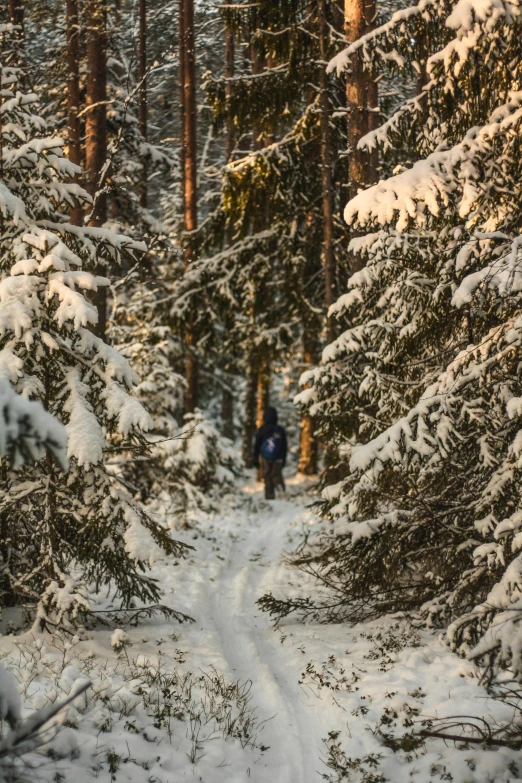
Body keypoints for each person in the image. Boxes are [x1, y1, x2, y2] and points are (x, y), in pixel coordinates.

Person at [253, 407, 287, 500]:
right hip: (278, 458)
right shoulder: (280, 430)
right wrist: (283, 458)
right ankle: (281, 492)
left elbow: (257, 445)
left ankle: (269, 496)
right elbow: (284, 446)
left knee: (267, 477)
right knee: (277, 474)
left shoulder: (261, 430)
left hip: (265, 457)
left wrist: (255, 458)